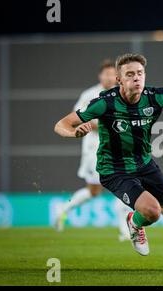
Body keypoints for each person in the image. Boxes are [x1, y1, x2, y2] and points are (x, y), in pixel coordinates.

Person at [54, 53, 163, 273]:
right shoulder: (104, 102)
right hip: (115, 170)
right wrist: (74, 133)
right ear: (119, 80)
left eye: (140, 73)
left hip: (144, 164)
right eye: (130, 74)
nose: (136, 78)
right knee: (152, 211)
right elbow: (62, 124)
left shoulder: (155, 96)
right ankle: (134, 221)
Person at [55, 59, 131, 241]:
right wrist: (108, 125)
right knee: (95, 191)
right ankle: (64, 209)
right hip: (94, 149)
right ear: (100, 76)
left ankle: (125, 231)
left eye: (112, 73)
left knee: (123, 184)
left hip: (115, 148)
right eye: (106, 73)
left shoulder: (121, 93)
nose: (109, 77)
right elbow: (79, 119)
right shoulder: (90, 94)